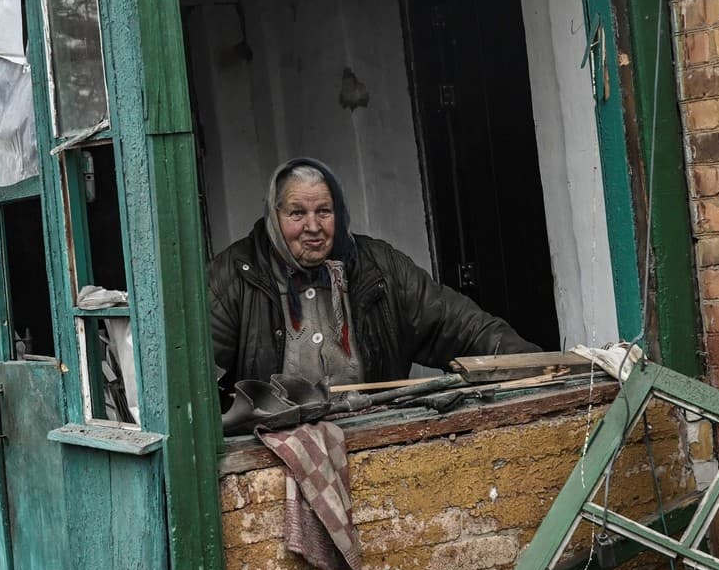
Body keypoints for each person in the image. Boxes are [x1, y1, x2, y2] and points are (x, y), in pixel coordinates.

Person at [208, 158, 539, 395]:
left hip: (375, 441)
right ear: (273, 216)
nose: (313, 227)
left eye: (324, 211)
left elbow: (459, 327)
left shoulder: (377, 268)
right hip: (272, 457)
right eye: (297, 213)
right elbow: (195, 379)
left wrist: (538, 367)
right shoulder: (237, 276)